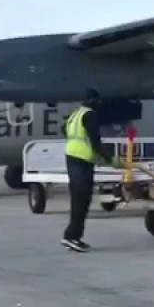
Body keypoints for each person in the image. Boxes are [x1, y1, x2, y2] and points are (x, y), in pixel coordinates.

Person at [61, 88, 115, 253]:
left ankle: (73, 236)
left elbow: (64, 129)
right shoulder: (90, 115)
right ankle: (72, 237)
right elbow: (95, 141)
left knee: (78, 200)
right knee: (81, 201)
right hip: (82, 162)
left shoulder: (75, 114)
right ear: (94, 101)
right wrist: (110, 159)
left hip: (72, 158)